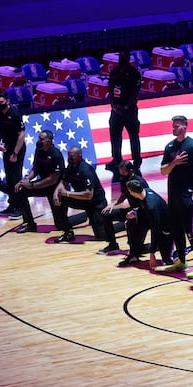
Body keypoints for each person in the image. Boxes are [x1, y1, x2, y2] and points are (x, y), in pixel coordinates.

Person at [157, 115, 193, 273]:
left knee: (190, 231)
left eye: (177, 126)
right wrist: (174, 162)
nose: (174, 128)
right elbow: (163, 171)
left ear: (185, 126)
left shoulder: (192, 146)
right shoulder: (170, 146)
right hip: (173, 194)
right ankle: (181, 262)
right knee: (176, 229)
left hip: (186, 194)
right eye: (173, 126)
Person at [52, 146, 110, 245]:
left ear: (79, 156)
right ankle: (68, 232)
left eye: (72, 157)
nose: (70, 159)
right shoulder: (70, 167)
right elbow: (63, 182)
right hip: (82, 200)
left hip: (95, 203)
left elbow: (89, 195)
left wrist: (67, 193)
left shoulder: (86, 169)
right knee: (60, 198)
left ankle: (121, 220)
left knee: (102, 236)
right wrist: (55, 193)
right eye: (69, 157)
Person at [12, 129, 65, 233]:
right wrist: (25, 180)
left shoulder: (56, 155)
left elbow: (52, 180)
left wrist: (31, 185)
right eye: (38, 138)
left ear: (49, 141)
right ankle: (30, 224)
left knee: (61, 224)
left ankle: (84, 216)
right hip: (43, 184)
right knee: (21, 191)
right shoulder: (39, 150)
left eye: (41, 139)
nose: (38, 141)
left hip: (56, 189)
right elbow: (35, 168)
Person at [122, 179, 174, 270]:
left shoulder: (151, 207)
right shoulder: (147, 191)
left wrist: (152, 254)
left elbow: (155, 230)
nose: (129, 193)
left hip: (166, 228)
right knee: (131, 223)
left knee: (167, 260)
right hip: (154, 220)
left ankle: (173, 249)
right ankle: (133, 253)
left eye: (130, 191)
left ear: (134, 193)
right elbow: (142, 206)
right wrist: (135, 212)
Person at [107, 51, 142, 182]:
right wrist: (114, 106)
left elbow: (135, 93)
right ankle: (116, 159)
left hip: (130, 110)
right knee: (115, 137)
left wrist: (126, 106)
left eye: (124, 57)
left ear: (128, 58)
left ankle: (137, 162)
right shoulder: (114, 72)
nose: (122, 59)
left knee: (134, 136)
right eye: (121, 57)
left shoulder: (134, 73)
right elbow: (110, 90)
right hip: (116, 110)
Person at [99, 160, 148, 253]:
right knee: (106, 214)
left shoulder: (139, 181)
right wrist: (113, 204)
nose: (121, 175)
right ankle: (112, 244)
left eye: (123, 173)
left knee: (136, 247)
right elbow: (124, 194)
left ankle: (156, 247)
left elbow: (146, 200)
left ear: (130, 171)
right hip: (129, 210)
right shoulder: (123, 179)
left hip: (141, 212)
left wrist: (135, 212)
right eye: (120, 172)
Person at [0, 90, 26, 216]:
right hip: (6, 148)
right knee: (9, 178)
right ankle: (12, 204)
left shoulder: (15, 114)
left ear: (7, 101)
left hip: (17, 148)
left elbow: (21, 135)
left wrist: (15, 153)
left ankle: (21, 207)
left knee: (16, 177)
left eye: (1, 102)